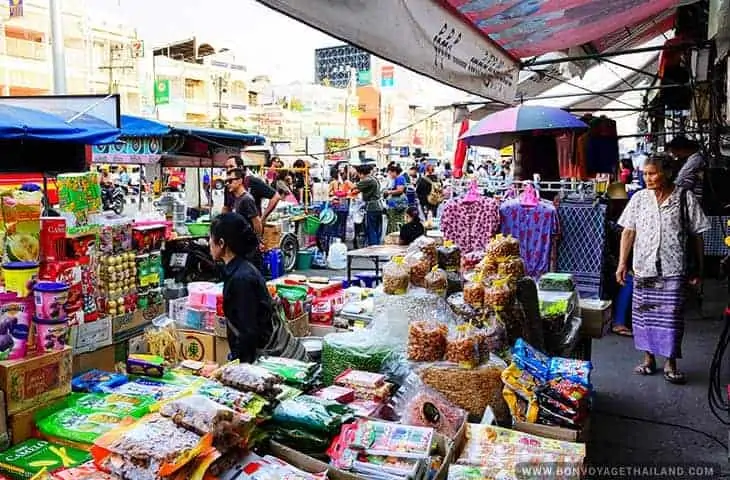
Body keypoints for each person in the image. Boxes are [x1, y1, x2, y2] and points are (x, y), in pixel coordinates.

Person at [616, 155, 710, 384]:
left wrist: (699, 267)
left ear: (667, 173)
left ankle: (671, 362)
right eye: (645, 173)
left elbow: (697, 235)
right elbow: (628, 232)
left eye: (652, 173)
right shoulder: (639, 199)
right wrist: (622, 263)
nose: (647, 178)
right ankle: (648, 359)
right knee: (644, 315)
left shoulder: (685, 198)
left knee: (671, 317)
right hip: (643, 266)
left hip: (673, 267)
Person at [211, 213, 308, 363]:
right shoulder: (240, 268)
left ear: (222, 243)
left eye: (211, 238)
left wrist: (240, 370)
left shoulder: (241, 278)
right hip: (266, 353)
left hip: (272, 360)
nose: (208, 243)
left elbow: (248, 333)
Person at [225, 168, 264, 271]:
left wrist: (256, 242)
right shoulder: (236, 199)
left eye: (230, 181)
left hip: (249, 249)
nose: (228, 184)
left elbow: (257, 223)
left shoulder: (246, 199)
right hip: (241, 246)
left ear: (240, 181)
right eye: (226, 181)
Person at [224, 156, 281, 221]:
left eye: (231, 166)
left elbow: (276, 196)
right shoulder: (228, 185)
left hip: (251, 228)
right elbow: (226, 207)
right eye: (226, 167)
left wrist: (262, 218)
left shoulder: (252, 181)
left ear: (240, 167)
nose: (228, 170)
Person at [351, 164, 383, 246]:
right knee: (376, 229)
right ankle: (376, 246)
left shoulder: (367, 180)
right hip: (378, 206)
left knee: (371, 229)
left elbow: (353, 186)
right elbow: (358, 190)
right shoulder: (373, 178)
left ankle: (373, 248)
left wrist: (347, 183)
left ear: (361, 173)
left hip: (372, 207)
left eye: (358, 174)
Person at [667, 136, 705, 203]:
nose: (676, 156)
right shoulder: (692, 159)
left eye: (675, 153)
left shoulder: (695, 161)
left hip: (695, 198)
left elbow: (680, 181)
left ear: (682, 149)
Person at [384, 165, 408, 234]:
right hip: (394, 204)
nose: (390, 175)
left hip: (397, 204)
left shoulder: (399, 178)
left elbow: (400, 190)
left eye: (390, 173)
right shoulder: (397, 179)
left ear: (394, 172)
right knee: (393, 222)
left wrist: (388, 192)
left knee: (395, 222)